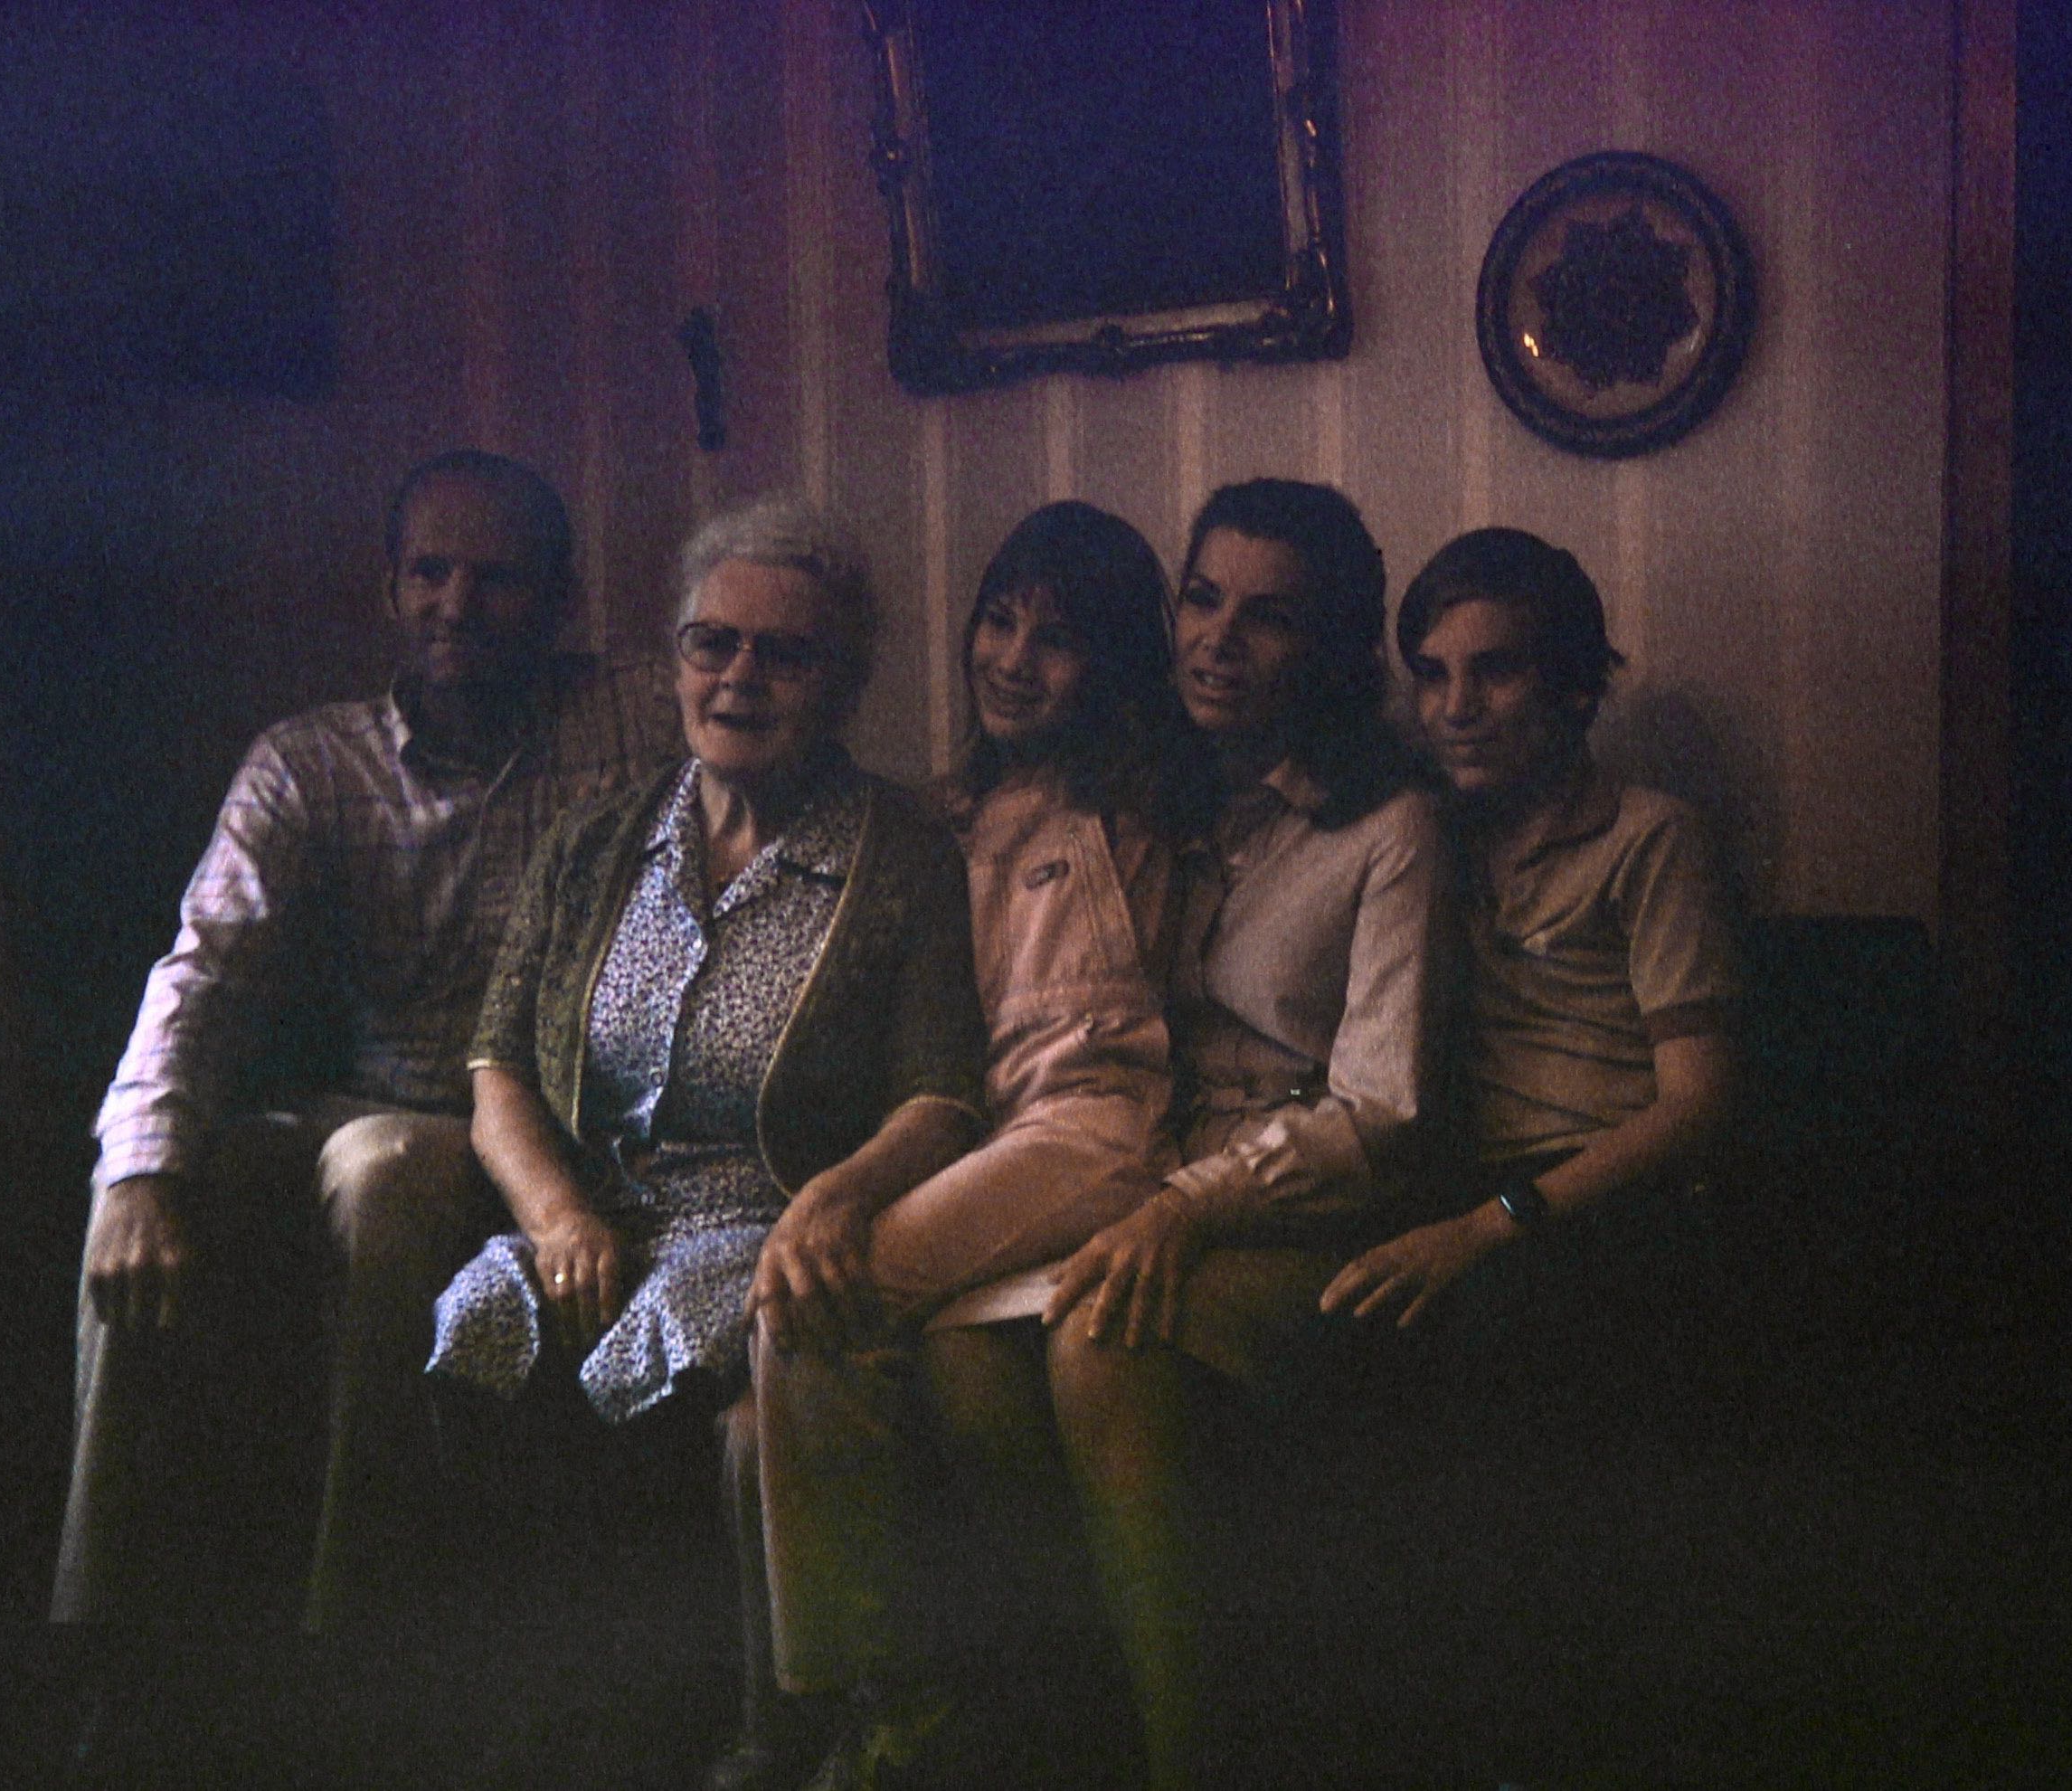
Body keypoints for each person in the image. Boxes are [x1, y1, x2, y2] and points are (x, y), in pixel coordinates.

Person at [56, 450, 677, 1637]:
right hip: (363, 1092)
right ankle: (94, 1633)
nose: (457, 604)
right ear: (390, 587)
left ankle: (352, 1630)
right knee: (137, 1197)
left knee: (383, 1170)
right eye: (429, 572)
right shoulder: (309, 762)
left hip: (534, 1125)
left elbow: (775, 723)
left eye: (498, 579)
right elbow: (204, 970)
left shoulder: (637, 715)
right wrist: (139, 1169)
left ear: (561, 603)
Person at [921, 480, 1447, 1791]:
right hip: (1134, 1173)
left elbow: (1381, 1111)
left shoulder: (1388, 828)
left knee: (1103, 1344)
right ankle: (1085, 1709)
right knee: (960, 1350)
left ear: (1334, 650)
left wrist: (1188, 1209)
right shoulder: (1144, 794)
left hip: (1294, 1204)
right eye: (1202, 600)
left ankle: (1186, 1758)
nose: (1218, 639)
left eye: (1268, 618)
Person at [732, 502, 1212, 1790]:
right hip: (981, 1139)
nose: (1012, 658)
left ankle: (854, 1704)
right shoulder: (938, 818)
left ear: (1112, 665)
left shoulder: (1148, 801)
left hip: (1098, 1131)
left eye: (1056, 640)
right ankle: (966, 1689)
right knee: (883, 1334)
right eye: (998, 622)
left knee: (815, 1297)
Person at [426, 492, 984, 1498]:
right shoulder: (595, 841)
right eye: (712, 642)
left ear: (843, 685)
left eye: (785, 655)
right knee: (475, 1322)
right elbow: (497, 1065)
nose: (739, 677)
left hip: (758, 1232)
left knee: (665, 1354)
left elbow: (940, 1096)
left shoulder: (903, 857)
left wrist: (835, 1199)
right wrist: (558, 1219)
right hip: (592, 1224)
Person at [1320, 526, 1736, 1372]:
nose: (1456, 708)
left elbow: (1699, 1103)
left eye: (1496, 671)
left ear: (1575, 687)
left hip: (1604, 1193)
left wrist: (1489, 1226)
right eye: (1432, 675)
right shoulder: (1427, 835)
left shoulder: (1648, 835)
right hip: (1459, 1177)